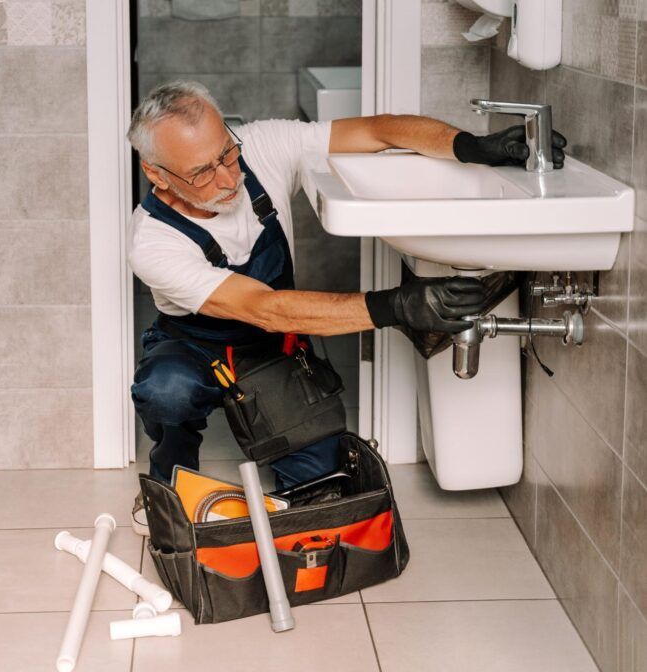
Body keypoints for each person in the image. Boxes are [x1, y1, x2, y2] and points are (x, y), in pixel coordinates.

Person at [127, 81, 566, 534]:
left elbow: (379, 132)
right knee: (167, 390)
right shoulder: (152, 242)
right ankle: (167, 478)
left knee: (319, 486)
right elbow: (264, 306)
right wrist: (395, 306)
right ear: (158, 174)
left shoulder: (261, 145)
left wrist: (470, 146)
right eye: (201, 173)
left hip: (274, 348)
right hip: (198, 347)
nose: (227, 177)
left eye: (226, 154)